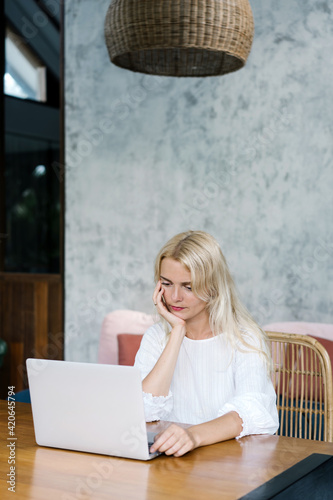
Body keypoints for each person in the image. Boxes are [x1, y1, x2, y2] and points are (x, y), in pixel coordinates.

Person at [134, 230, 279, 457]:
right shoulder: (156, 337)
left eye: (188, 286)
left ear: (213, 286)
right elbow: (140, 412)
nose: (174, 297)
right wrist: (177, 332)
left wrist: (193, 436)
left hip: (228, 463)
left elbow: (252, 410)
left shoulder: (245, 337)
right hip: (171, 462)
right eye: (167, 283)